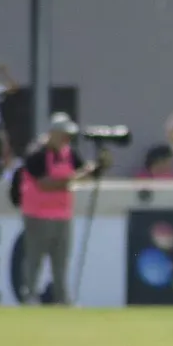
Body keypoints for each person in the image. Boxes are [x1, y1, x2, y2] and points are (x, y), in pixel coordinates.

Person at [19, 113, 103, 305]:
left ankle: (62, 298)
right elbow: (45, 184)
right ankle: (30, 296)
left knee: (60, 262)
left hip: (63, 215)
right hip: (37, 216)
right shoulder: (36, 153)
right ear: (53, 133)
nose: (67, 138)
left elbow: (82, 175)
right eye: (64, 134)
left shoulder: (69, 153)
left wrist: (96, 170)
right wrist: (78, 176)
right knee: (34, 259)